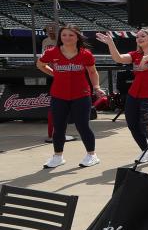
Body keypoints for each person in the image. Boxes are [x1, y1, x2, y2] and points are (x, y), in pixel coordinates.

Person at [96, 28, 148, 163]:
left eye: (143, 36)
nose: (139, 38)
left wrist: (146, 58)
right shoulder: (135, 55)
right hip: (133, 94)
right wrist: (111, 43)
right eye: (138, 37)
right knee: (132, 124)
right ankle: (146, 151)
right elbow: (118, 58)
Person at [36, 24, 103, 169]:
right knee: (59, 127)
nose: (67, 38)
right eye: (64, 35)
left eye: (71, 35)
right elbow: (40, 65)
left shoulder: (86, 54)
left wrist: (97, 87)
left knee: (82, 126)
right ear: (60, 37)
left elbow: (92, 72)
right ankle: (57, 157)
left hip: (81, 95)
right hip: (59, 96)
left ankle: (92, 155)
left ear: (77, 37)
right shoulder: (52, 52)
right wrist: (55, 73)